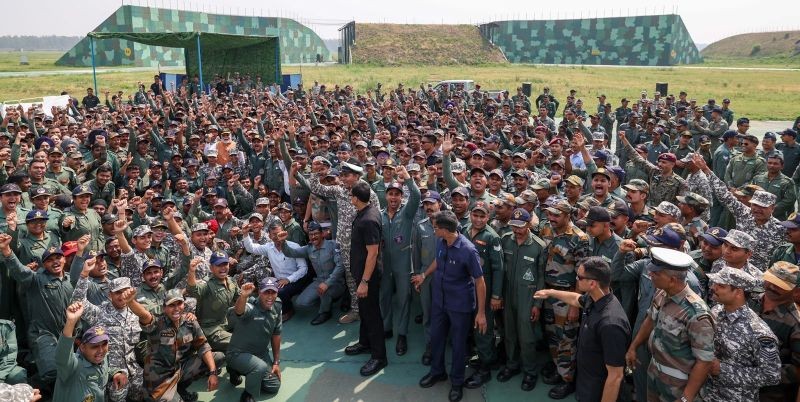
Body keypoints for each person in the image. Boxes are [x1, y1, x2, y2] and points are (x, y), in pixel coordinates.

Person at [534, 257, 630, 402]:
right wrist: (551, 292)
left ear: (592, 283)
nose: (576, 279)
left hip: (598, 392)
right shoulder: (595, 299)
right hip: (586, 384)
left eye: (579, 277)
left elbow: (615, 377)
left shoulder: (611, 324)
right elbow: (576, 299)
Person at [625, 247, 714, 402]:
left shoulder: (696, 314)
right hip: (655, 373)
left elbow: (704, 361)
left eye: (656, 273)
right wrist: (634, 346)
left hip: (678, 385)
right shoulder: (662, 293)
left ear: (672, 280)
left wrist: (686, 397)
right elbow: (650, 320)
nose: (650, 274)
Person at [418, 211, 487, 402]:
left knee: (458, 345)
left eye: (436, 228)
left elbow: (480, 282)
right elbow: (438, 262)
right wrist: (425, 275)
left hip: (459, 305)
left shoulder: (468, 250)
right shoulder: (442, 242)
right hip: (440, 302)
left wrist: (481, 313)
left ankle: (456, 382)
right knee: (437, 337)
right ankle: (437, 371)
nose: (434, 230)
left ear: (445, 230)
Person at [126, 288, 224, 402]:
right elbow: (144, 315)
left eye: (179, 303)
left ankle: (180, 389)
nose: (177, 308)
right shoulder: (158, 324)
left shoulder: (190, 322)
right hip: (160, 380)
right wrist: (130, 302)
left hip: (179, 369)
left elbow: (203, 345)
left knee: (218, 357)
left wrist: (213, 372)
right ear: (164, 308)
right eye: (172, 305)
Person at [701, 267, 781, 400]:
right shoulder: (716, 311)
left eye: (721, 285)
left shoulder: (759, 332)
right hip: (706, 393)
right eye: (715, 283)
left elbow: (772, 375)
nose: (713, 287)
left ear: (738, 292)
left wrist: (722, 370)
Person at [494, 208, 544, 392]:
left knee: (527, 337)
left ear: (529, 224)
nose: (516, 231)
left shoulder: (539, 246)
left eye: (520, 227)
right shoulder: (505, 240)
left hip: (527, 298)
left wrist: (537, 305)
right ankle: (512, 365)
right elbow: (499, 270)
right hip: (507, 295)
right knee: (509, 334)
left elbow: (541, 278)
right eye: (514, 226)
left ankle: (530, 371)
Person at [343, 181, 387, 376]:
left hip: (368, 277)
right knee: (364, 310)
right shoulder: (367, 211)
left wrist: (364, 282)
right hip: (361, 273)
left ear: (355, 198)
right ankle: (365, 342)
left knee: (372, 314)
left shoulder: (368, 220)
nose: (349, 198)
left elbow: (373, 253)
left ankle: (379, 357)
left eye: (350, 195)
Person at [278, 220, 346, 325]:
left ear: (322, 234)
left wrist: (327, 284)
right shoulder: (309, 249)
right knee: (301, 302)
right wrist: (283, 242)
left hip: (336, 282)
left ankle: (325, 312)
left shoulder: (333, 245)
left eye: (316, 234)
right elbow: (291, 253)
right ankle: (326, 300)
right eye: (310, 234)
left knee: (325, 291)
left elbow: (340, 267)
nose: (313, 237)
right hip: (319, 281)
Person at [226, 278, 283, 402]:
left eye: (273, 292)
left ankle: (243, 370)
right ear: (259, 293)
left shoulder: (277, 306)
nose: (270, 296)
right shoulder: (251, 307)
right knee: (260, 367)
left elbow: (276, 334)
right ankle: (248, 395)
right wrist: (243, 296)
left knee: (273, 385)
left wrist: (276, 362)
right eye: (266, 292)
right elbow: (239, 311)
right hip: (238, 353)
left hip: (260, 353)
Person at [55, 302, 124, 402]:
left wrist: (116, 374)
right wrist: (71, 322)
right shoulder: (73, 366)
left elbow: (105, 370)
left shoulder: (102, 359)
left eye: (104, 344)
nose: (100, 350)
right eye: (94, 346)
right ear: (82, 347)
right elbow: (62, 355)